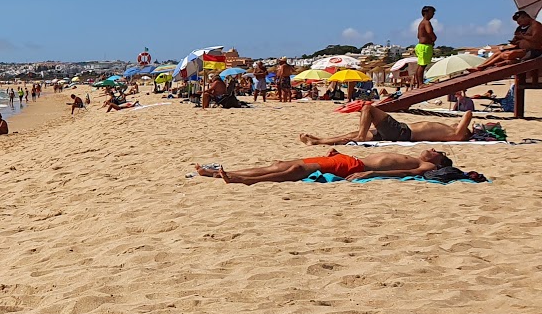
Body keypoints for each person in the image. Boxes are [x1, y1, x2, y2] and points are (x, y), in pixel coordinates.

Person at [195, 148, 451, 185]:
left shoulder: (423, 164)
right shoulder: (418, 157)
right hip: (348, 159)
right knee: (281, 164)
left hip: (353, 166)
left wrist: (373, 172)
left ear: (439, 160)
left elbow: (405, 173)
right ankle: (221, 174)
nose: (431, 149)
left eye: (437, 152)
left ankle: (246, 179)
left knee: (294, 172)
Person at [300, 107, 473, 146]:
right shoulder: (450, 130)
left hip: (401, 131)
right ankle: (319, 141)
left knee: (368, 108)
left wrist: (469, 124)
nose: (458, 123)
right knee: (354, 133)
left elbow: (468, 114)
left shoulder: (455, 134)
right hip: (399, 132)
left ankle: (360, 137)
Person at [477, 9, 542, 69]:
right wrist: (515, 41)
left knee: (508, 54)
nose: (519, 24)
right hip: (520, 48)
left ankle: (486, 66)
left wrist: (523, 37)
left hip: (534, 51)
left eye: (519, 22)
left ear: (524, 17)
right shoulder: (520, 28)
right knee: (498, 53)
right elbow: (516, 38)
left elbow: (536, 39)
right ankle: (481, 65)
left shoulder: (536, 25)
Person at [412, 5, 437, 88]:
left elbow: (418, 36)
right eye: (432, 12)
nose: (433, 14)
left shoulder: (421, 23)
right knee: (422, 66)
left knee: (421, 65)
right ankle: (420, 84)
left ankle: (419, 83)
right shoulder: (426, 22)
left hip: (421, 46)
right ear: (426, 13)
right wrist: (433, 38)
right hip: (424, 47)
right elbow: (429, 32)